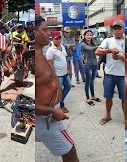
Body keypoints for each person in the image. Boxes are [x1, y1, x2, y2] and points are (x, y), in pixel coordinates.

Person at [35, 15, 79, 162]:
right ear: (34, 32)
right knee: (70, 151)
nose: (49, 33)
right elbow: (24, 102)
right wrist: (52, 111)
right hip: (45, 116)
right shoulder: (34, 58)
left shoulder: (41, 53)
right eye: (45, 30)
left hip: (50, 112)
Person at [95, 20, 125, 125]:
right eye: (115, 28)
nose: (117, 31)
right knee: (108, 96)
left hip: (123, 75)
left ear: (123, 29)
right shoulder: (108, 40)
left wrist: (120, 56)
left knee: (124, 98)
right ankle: (108, 115)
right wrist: (109, 50)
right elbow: (97, 51)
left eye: (119, 28)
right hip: (109, 74)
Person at [46, 31, 71, 113]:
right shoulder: (51, 50)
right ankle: (59, 106)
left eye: (59, 38)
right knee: (58, 91)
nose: (58, 40)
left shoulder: (62, 47)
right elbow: (49, 63)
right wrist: (54, 75)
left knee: (68, 87)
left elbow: (66, 58)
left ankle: (59, 102)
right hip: (58, 74)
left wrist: (68, 68)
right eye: (56, 38)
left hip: (64, 73)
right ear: (52, 39)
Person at [81, 30, 101, 106]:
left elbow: (97, 51)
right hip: (88, 65)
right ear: (84, 36)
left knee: (92, 82)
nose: (89, 36)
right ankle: (87, 98)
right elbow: (89, 49)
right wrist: (98, 46)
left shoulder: (93, 43)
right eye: (87, 35)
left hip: (94, 65)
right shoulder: (83, 44)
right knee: (88, 82)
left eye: (90, 35)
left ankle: (93, 96)